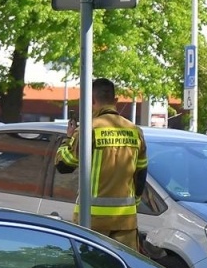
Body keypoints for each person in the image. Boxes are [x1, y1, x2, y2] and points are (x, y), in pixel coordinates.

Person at [55, 78, 148, 252]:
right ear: (115, 100)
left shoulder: (88, 130)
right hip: (125, 220)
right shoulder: (135, 131)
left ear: (91, 101)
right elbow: (141, 173)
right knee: (125, 265)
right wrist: (134, 203)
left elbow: (64, 165)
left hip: (92, 221)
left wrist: (68, 138)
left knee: (92, 266)